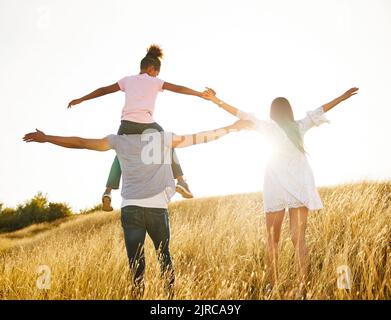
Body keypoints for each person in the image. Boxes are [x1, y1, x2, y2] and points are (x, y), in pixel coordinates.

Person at [23, 119, 252, 299]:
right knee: (165, 257)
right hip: (156, 208)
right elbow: (202, 137)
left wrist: (47, 138)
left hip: (131, 207)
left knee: (136, 265)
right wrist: (231, 128)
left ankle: (137, 294)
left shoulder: (120, 141)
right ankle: (170, 299)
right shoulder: (162, 140)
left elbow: (81, 142)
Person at [204, 87, 359, 297]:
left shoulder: (267, 126)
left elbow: (239, 113)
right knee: (299, 240)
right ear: (289, 111)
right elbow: (321, 109)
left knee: (272, 239)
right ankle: (304, 287)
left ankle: (273, 285)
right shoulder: (299, 126)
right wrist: (342, 96)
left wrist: (216, 100)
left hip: (276, 186)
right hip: (299, 187)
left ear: (272, 112)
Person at [67, 44, 214, 211]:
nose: (157, 75)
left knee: (120, 154)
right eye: (157, 73)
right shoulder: (155, 81)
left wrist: (81, 99)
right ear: (152, 69)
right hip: (147, 125)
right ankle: (181, 181)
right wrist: (199, 94)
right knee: (167, 142)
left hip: (126, 126)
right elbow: (178, 88)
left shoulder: (127, 80)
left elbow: (103, 90)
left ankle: (107, 192)